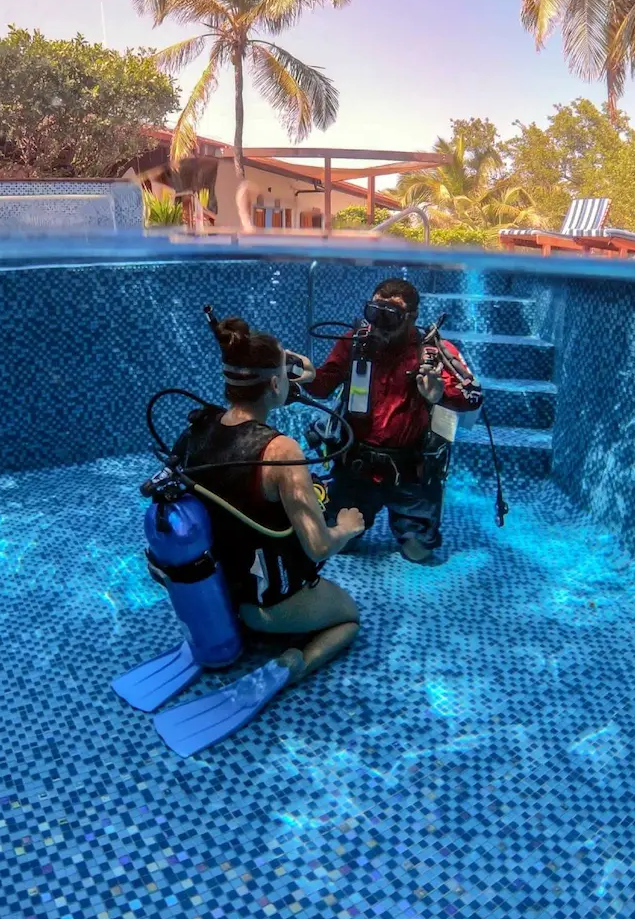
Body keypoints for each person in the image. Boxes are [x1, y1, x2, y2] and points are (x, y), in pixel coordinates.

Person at [173, 315, 364, 687]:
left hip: (217, 592)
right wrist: (347, 526)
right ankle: (297, 665)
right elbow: (317, 547)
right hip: (266, 606)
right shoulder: (280, 451)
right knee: (349, 619)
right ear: (277, 382)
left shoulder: (199, 428)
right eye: (284, 370)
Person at [305, 278, 483, 563]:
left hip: (409, 471)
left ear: (411, 318)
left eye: (390, 316)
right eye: (374, 312)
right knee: (339, 543)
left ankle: (412, 525)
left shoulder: (432, 351)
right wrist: (310, 376)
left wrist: (441, 394)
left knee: (418, 552)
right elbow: (324, 385)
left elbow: (473, 396)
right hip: (358, 467)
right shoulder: (354, 342)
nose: (379, 324)